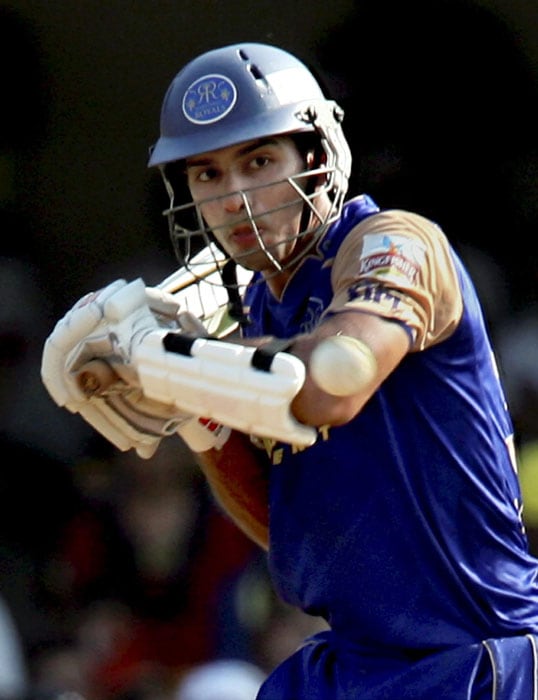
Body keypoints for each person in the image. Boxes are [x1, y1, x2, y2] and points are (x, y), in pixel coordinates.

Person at [41, 42, 538, 698]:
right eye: (207, 174)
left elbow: (334, 378)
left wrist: (175, 364)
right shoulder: (251, 309)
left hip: (469, 656)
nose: (235, 199)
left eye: (258, 161)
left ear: (318, 154)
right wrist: (199, 413)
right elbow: (292, 531)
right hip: (351, 658)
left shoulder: (396, 241)